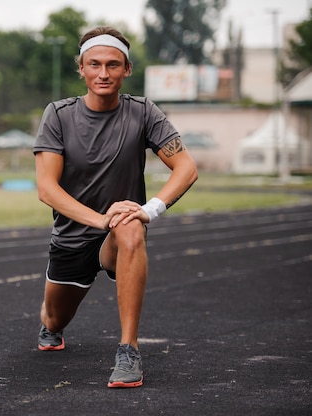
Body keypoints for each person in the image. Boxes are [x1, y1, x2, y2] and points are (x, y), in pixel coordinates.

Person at [33, 26, 198, 388]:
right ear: (81, 68)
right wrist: (100, 219)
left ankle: (128, 351)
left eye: (112, 64)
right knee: (55, 319)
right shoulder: (58, 116)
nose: (103, 73)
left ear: (127, 69)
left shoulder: (144, 112)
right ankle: (48, 324)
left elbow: (186, 168)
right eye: (94, 64)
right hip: (73, 237)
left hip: (117, 234)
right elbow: (47, 188)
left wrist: (149, 208)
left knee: (132, 225)